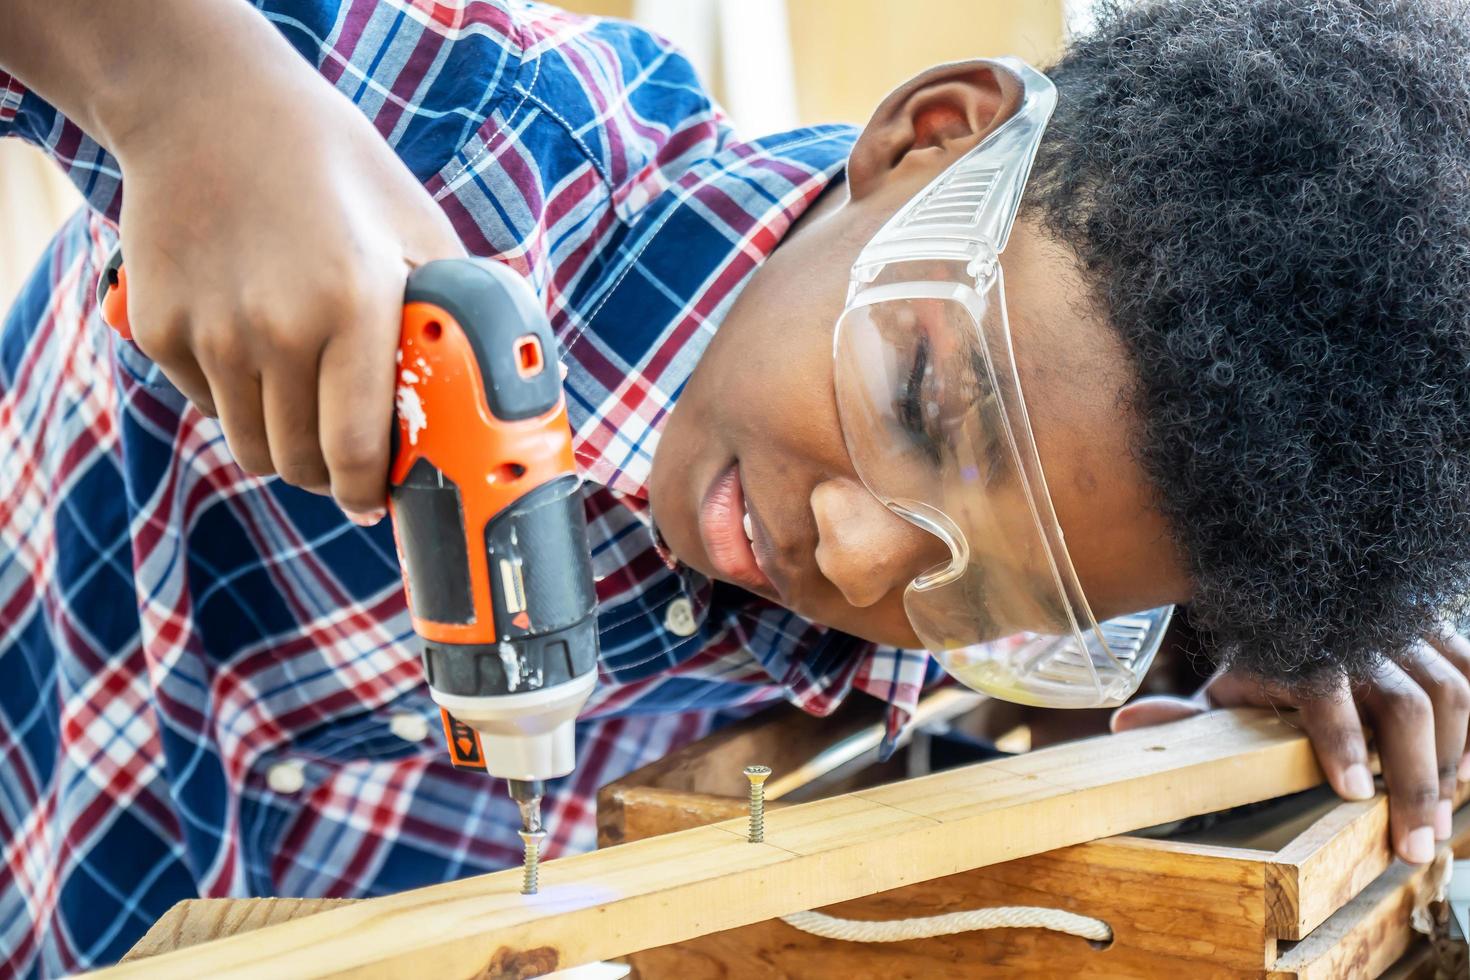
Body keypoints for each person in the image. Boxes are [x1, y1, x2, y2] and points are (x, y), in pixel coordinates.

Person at [2, 0, 1468, 972]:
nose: (853, 556)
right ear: (925, 139)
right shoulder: (473, 133)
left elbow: (1092, 564)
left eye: (999, 589)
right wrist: (188, 85)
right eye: (914, 403)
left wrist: (1286, 630)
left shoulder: (1049, 514)